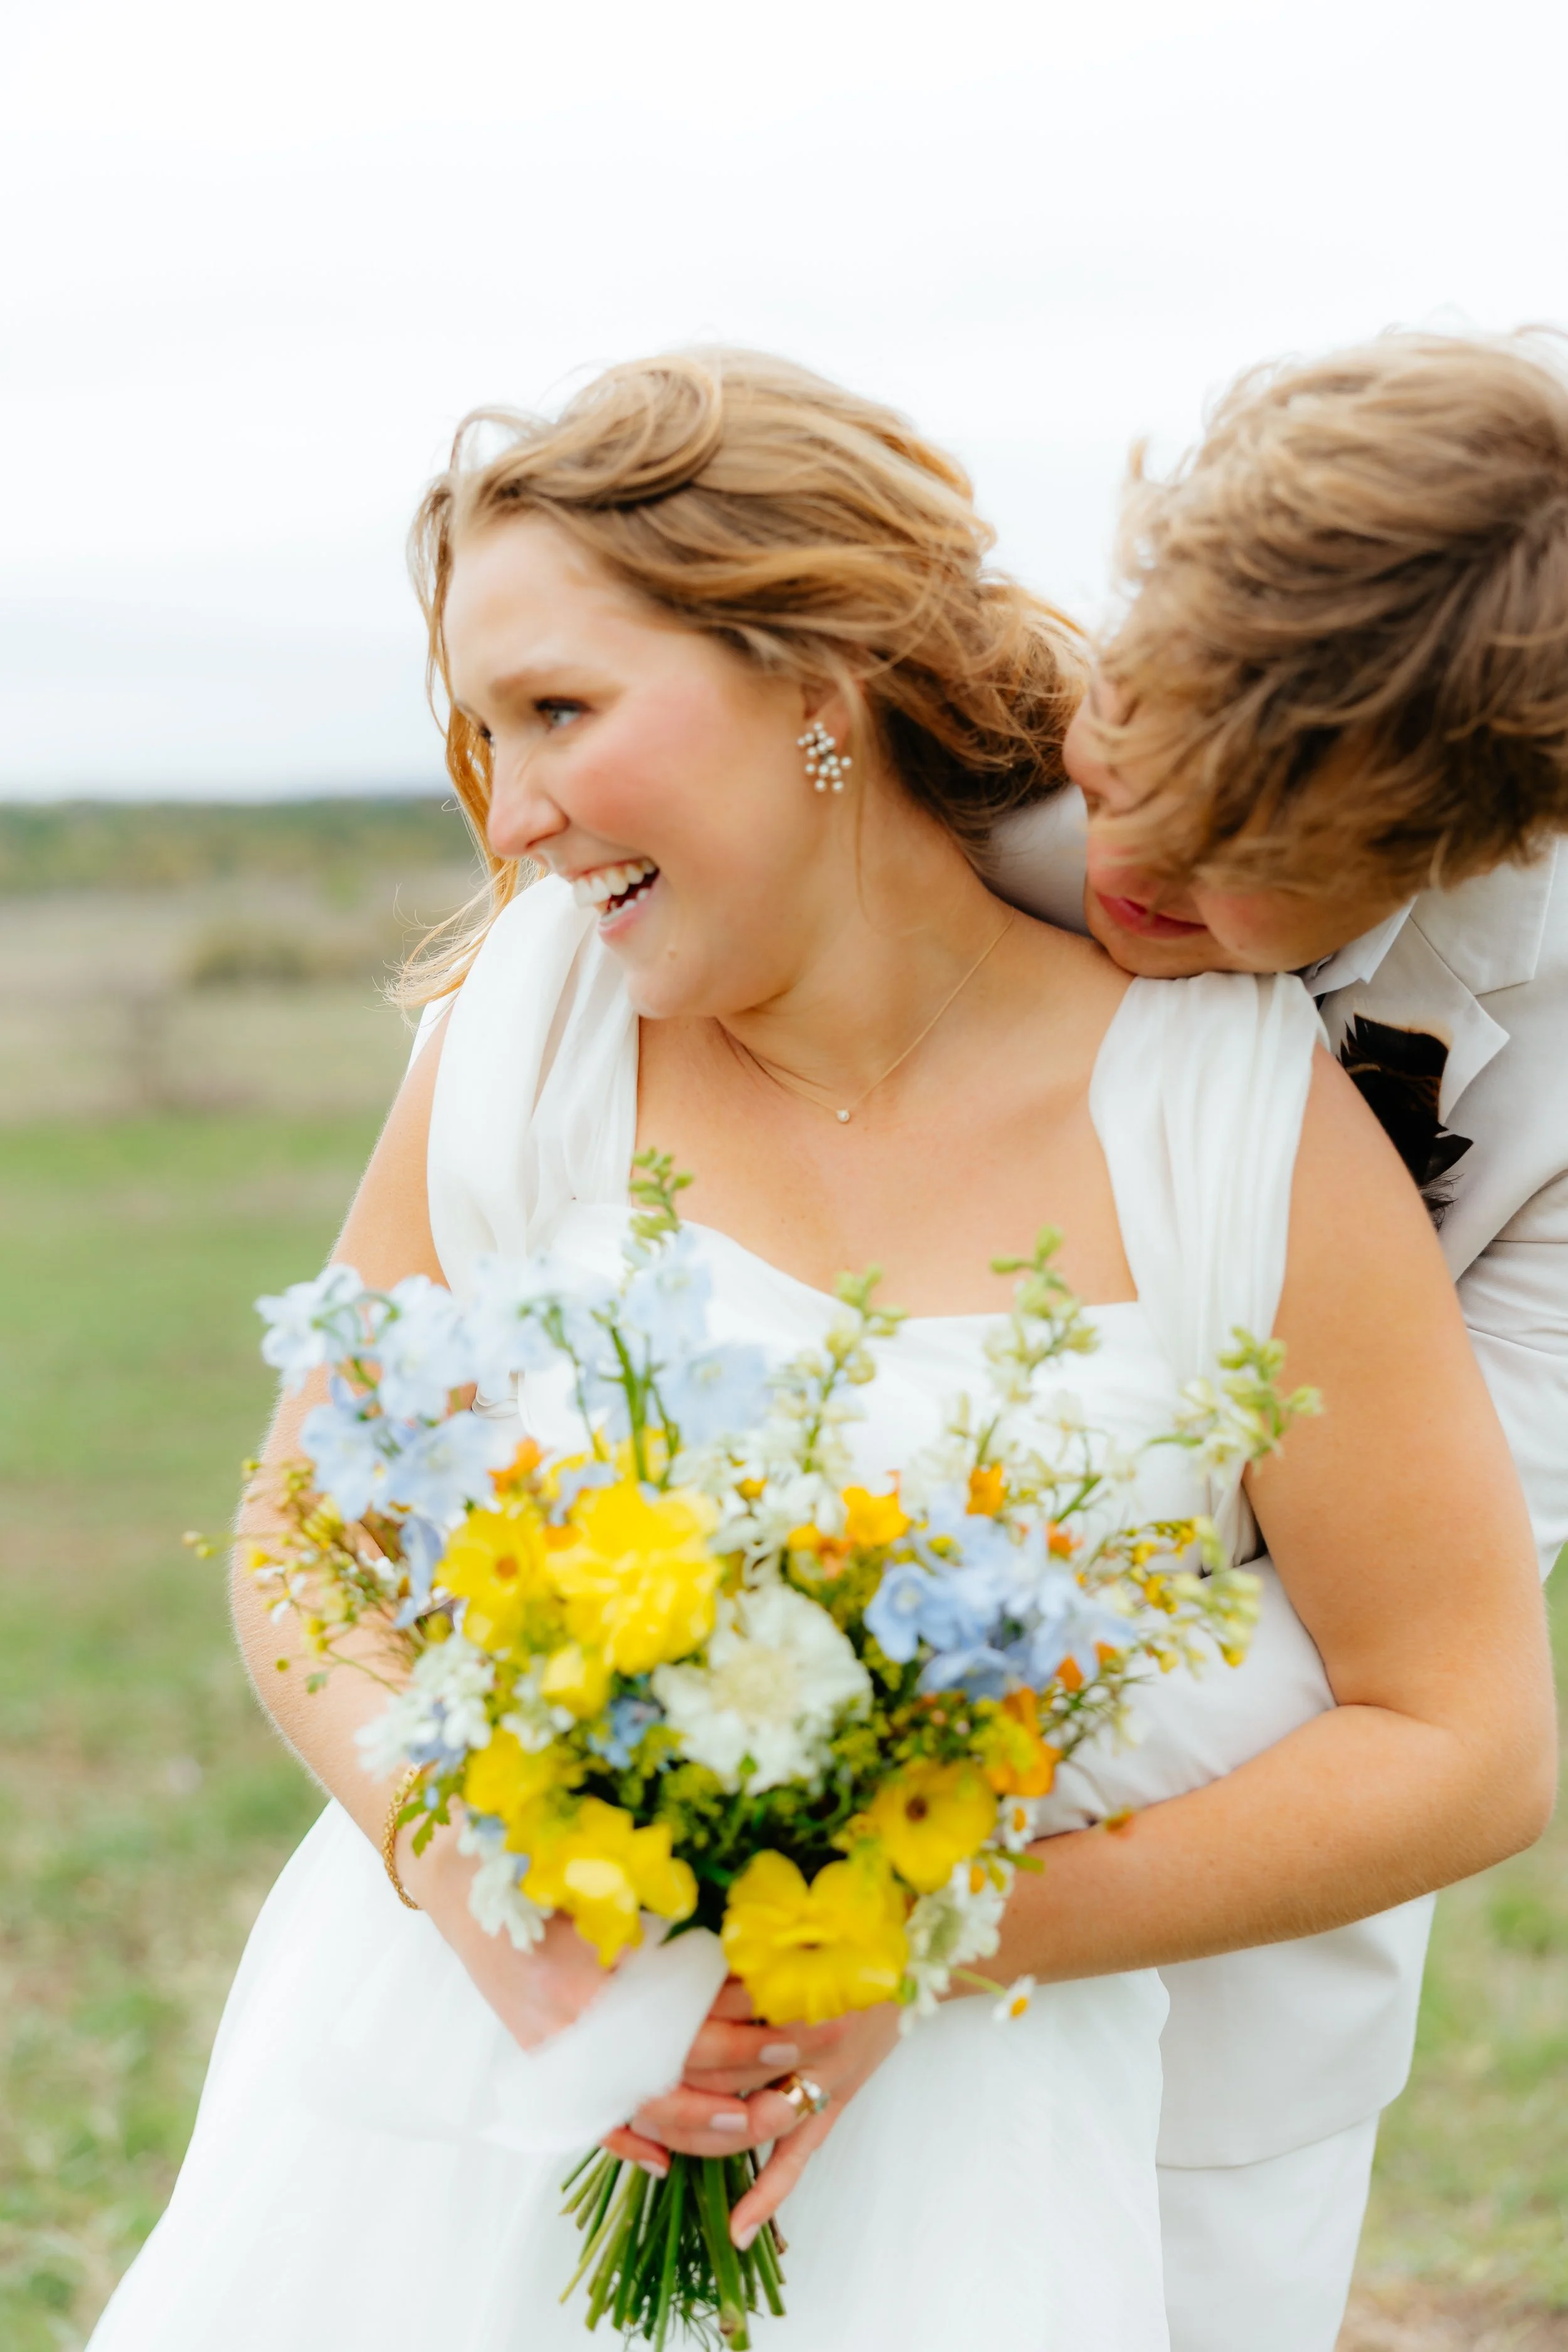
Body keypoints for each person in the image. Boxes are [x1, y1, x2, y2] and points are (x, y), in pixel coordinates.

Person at [87, 351, 1554, 2352]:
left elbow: (1437, 1698)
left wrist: (879, 1914)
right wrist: (483, 1887)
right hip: (462, 2096)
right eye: (484, 726)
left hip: (1069, 2097)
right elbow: (304, 1528)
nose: (507, 819)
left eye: (560, 713)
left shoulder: (1254, 1107)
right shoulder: (544, 1025)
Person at [983, 329, 1568, 2352]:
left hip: (1217, 1981)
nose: (1130, 868)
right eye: (1128, 751)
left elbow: (1419, 1614)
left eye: (1253, 863)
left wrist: (900, 1781)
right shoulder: (927, 760)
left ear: (1468, 842)